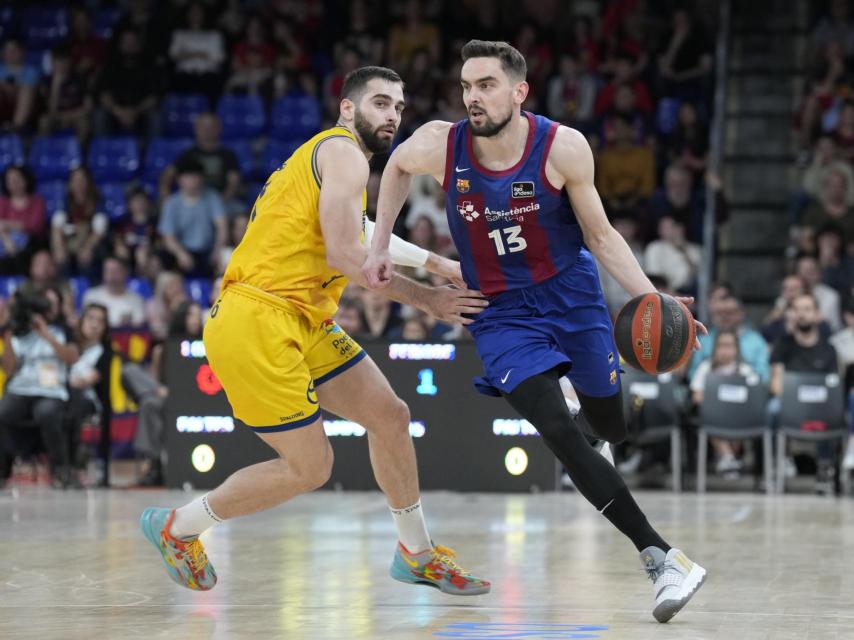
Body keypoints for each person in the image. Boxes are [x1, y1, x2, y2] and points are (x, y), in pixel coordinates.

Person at [364, 40, 707, 623]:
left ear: (519, 92)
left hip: (571, 295)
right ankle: (663, 558)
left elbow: (600, 237)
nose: (473, 97)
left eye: (487, 85)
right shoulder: (440, 144)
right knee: (560, 437)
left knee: (609, 426)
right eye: (467, 86)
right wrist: (380, 246)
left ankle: (592, 423)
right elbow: (394, 167)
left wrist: (653, 297)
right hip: (498, 310)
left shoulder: (563, 147)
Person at [140, 66, 490, 595]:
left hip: (303, 317)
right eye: (379, 103)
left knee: (390, 417)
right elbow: (348, 255)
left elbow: (364, 232)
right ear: (347, 109)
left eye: (398, 106)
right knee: (311, 467)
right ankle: (178, 527)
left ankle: (416, 553)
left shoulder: (333, 161)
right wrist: (429, 299)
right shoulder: (343, 152)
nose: (392, 115)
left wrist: (439, 265)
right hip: (257, 317)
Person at [0, 287, 80, 488]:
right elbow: (8, 369)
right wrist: (9, 335)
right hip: (21, 389)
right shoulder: (19, 334)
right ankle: (2, 470)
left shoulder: (62, 331)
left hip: (50, 391)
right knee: (3, 412)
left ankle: (60, 470)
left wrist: (46, 335)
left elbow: (72, 358)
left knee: (47, 412)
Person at [770, 292, 840, 493]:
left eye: (807, 309)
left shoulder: (829, 349)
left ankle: (825, 465)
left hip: (821, 405)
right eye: (797, 309)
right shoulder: (783, 344)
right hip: (789, 404)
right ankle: (779, 460)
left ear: (817, 315)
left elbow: (833, 388)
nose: (802, 314)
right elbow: (776, 385)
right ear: (791, 314)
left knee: (833, 412)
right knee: (773, 409)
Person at [690, 329, 758, 476]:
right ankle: (729, 458)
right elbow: (696, 396)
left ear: (736, 349)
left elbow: (754, 399)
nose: (725, 350)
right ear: (715, 348)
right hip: (714, 416)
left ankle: (728, 460)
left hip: (739, 416)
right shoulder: (705, 368)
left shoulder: (746, 370)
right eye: (721, 345)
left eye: (729, 346)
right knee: (711, 414)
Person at [158, 157, 227, 277]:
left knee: (226, 256)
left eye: (195, 176)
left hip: (208, 251)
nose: (191, 180)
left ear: (201, 178)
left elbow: (222, 227)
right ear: (179, 180)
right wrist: (180, 254)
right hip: (182, 250)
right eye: (187, 177)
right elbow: (168, 236)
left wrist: (217, 250)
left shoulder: (212, 198)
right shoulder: (172, 203)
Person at [67, 303, 112, 484]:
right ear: (82, 320)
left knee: (74, 404)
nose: (94, 324)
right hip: (66, 397)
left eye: (100, 321)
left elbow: (85, 380)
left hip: (90, 402)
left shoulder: (104, 353)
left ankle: (74, 464)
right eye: (91, 318)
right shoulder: (70, 346)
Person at [82, 257, 146, 328]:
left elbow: (139, 327)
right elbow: (86, 325)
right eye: (107, 271)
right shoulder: (92, 296)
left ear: (125, 272)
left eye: (115, 271)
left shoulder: (136, 300)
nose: (111, 275)